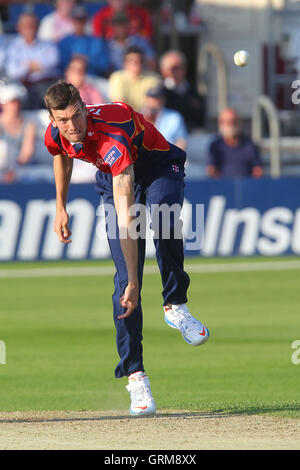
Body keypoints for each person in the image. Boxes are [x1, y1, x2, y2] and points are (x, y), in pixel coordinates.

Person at [43, 81, 210, 416]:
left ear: (84, 106)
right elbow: (61, 155)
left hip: (157, 166)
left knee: (163, 218)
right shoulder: (56, 133)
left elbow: (126, 222)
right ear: (52, 119)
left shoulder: (110, 136)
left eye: (77, 115)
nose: (73, 126)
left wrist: (137, 279)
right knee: (123, 289)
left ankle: (175, 303)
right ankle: (136, 376)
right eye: (63, 120)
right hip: (111, 177)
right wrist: (61, 205)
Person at [5, 12, 60, 109]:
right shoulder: (13, 47)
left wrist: (25, 65)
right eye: (26, 25)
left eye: (32, 25)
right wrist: (33, 66)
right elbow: (12, 72)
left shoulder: (48, 45)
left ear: (38, 27)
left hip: (46, 85)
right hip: (23, 86)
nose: (29, 28)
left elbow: (52, 62)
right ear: (19, 28)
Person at [207, 108, 264, 178]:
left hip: (247, 186)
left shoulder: (250, 145)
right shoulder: (216, 146)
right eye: (228, 122)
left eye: (234, 121)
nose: (232, 125)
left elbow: (258, 170)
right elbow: (212, 170)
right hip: (223, 186)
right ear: (221, 124)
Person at [58, 5, 110, 77]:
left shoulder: (96, 41)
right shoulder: (64, 42)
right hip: (71, 79)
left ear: (86, 20)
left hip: (93, 79)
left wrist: (86, 60)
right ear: (72, 20)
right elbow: (61, 64)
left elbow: (104, 65)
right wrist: (78, 61)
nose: (79, 23)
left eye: (82, 20)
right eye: (76, 19)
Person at [160, 50, 205, 131]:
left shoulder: (193, 92)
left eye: (179, 67)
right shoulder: (160, 93)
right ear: (163, 71)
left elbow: (199, 118)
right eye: (172, 68)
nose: (175, 72)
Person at [0, 82, 36, 183]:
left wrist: (13, 170)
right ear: (3, 104)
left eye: (17, 102)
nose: (14, 106)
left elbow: (27, 153)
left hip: (20, 169)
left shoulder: (29, 124)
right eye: (11, 102)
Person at [109, 46, 161, 111]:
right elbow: (118, 103)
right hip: (125, 117)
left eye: (139, 60)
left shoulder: (154, 78)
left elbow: (153, 104)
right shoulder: (117, 77)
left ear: (143, 62)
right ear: (125, 63)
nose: (136, 63)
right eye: (132, 61)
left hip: (147, 118)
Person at [143, 85, 188, 150]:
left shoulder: (174, 117)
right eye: (151, 99)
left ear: (163, 100)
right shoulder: (139, 117)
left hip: (169, 156)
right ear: (146, 100)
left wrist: (170, 156)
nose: (153, 102)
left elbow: (182, 142)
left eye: (157, 99)